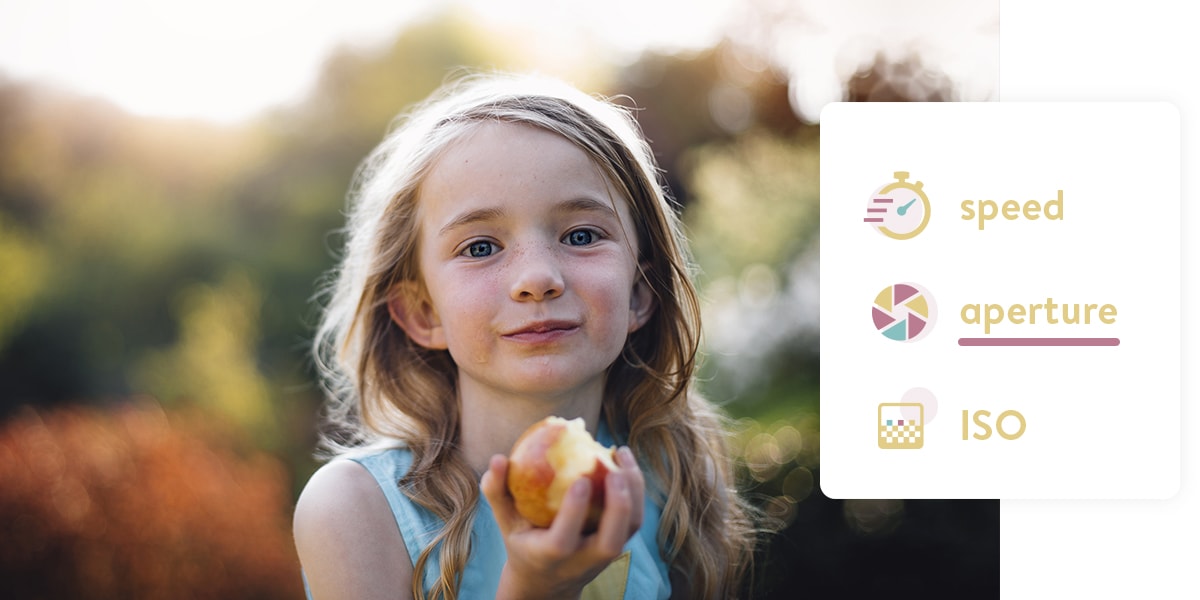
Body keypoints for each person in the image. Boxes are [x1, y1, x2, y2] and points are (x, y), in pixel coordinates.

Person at [293, 72, 756, 600]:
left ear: (640, 293)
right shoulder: (355, 509)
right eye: (481, 247)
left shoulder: (675, 482)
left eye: (581, 235)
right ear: (423, 313)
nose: (538, 278)